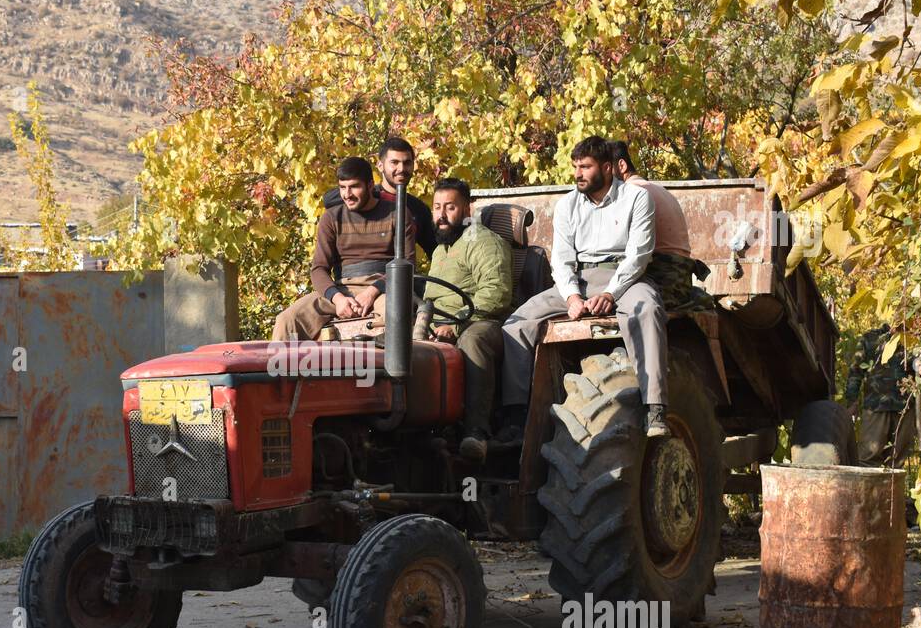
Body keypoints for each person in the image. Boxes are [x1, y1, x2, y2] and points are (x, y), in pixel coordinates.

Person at [500, 135, 669, 439]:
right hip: (579, 279)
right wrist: (572, 296)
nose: (578, 173)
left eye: (586, 167)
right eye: (576, 166)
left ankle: (654, 406)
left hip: (624, 277)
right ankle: (515, 416)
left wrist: (610, 294)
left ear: (607, 168)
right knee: (516, 323)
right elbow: (562, 259)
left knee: (648, 309)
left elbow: (639, 254)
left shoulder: (636, 198)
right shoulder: (567, 205)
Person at [272, 156, 417, 341]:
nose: (347, 194)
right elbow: (318, 269)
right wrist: (338, 298)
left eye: (354, 186)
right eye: (342, 187)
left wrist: (372, 292)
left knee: (395, 315)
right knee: (287, 320)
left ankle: (387, 370)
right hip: (342, 289)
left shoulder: (397, 213)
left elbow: (407, 263)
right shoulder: (331, 218)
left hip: (384, 289)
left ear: (370, 185)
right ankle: (280, 368)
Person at [420, 178, 513, 462]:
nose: (442, 215)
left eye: (450, 207)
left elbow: (497, 293)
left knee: (473, 340)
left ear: (467, 209)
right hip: (440, 324)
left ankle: (477, 432)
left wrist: (457, 324)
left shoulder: (482, 240)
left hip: (482, 323)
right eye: (437, 207)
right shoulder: (440, 249)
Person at [609, 140, 709, 311]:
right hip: (681, 281)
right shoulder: (659, 190)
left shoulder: (632, 194)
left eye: (606, 169)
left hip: (661, 281)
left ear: (622, 165)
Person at [322, 137, 436, 260]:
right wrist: (374, 195)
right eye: (394, 162)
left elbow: (434, 251)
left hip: (399, 275)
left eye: (407, 163)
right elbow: (329, 199)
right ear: (380, 166)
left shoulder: (417, 209)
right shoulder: (369, 194)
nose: (402, 169)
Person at [845, 323, 919, 467]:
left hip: (904, 409)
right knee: (868, 458)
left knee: (897, 461)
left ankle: (891, 490)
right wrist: (852, 401)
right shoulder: (870, 338)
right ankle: (865, 490)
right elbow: (856, 371)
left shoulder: (912, 339)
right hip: (875, 407)